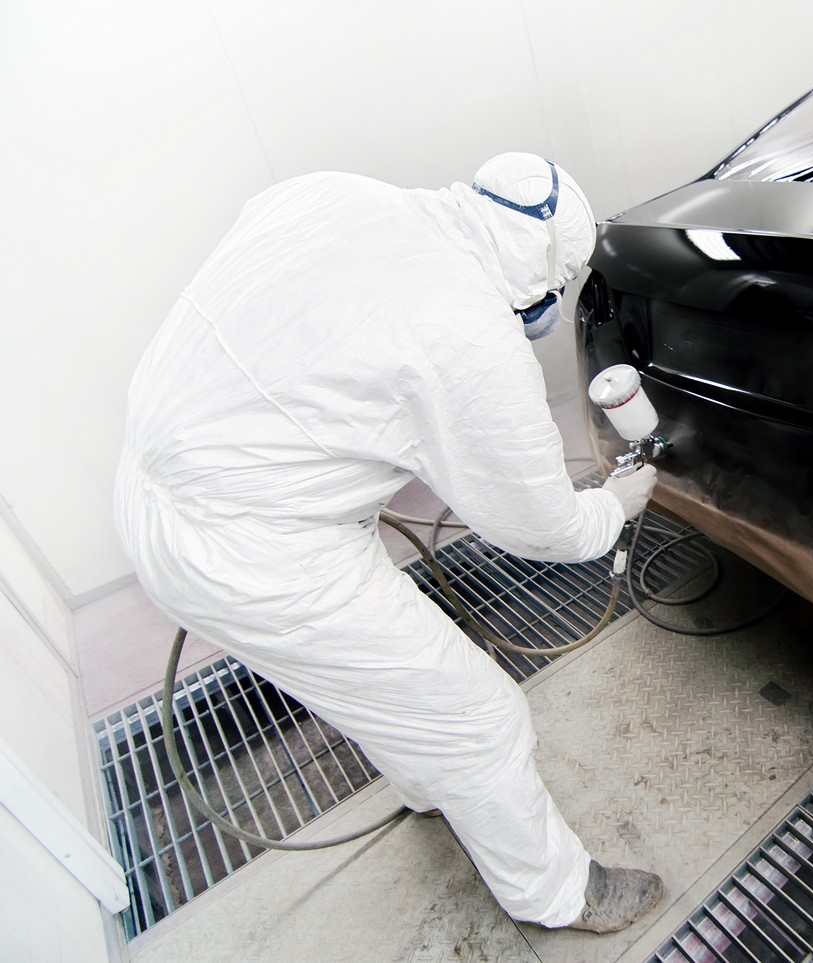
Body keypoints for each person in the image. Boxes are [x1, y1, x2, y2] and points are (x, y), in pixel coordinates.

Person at [114, 153, 662, 932]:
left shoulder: (334, 193)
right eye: (562, 277)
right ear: (542, 262)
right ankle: (560, 894)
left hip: (158, 490)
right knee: (479, 716)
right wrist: (611, 506)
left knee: (383, 680)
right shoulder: (467, 333)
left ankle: (428, 780)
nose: (550, 302)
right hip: (257, 552)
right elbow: (538, 524)